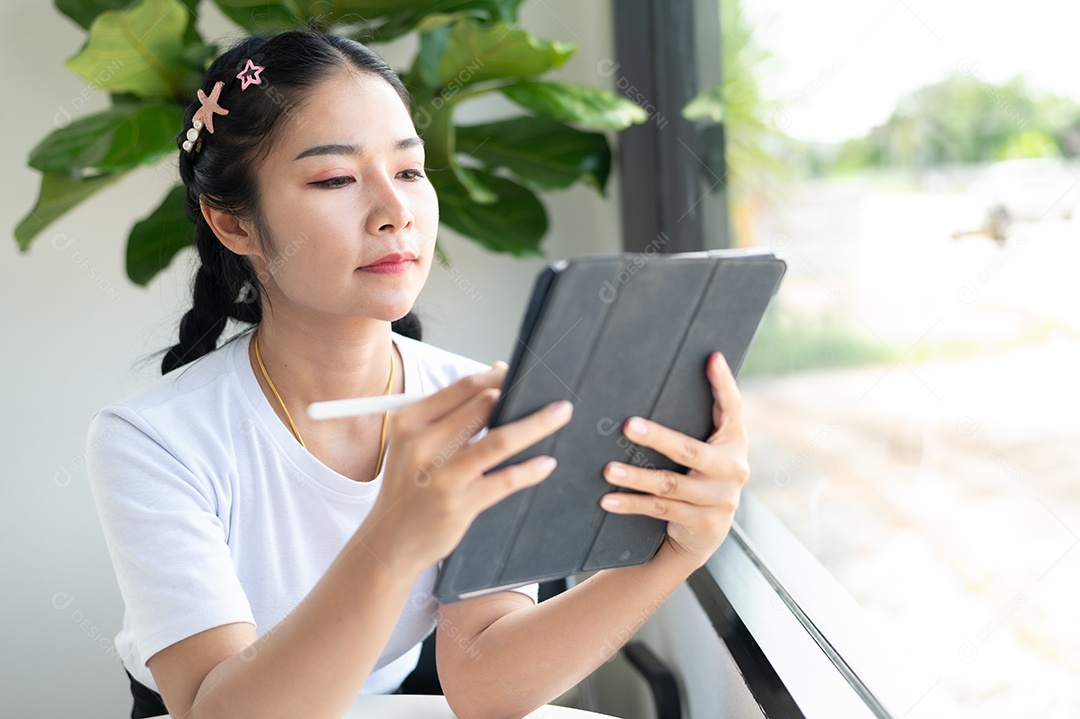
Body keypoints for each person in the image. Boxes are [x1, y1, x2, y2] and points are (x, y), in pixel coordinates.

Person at [85, 29, 750, 719]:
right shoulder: (152, 439)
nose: (395, 211)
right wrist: (395, 537)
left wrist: (672, 552)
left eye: (408, 171)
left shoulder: (473, 407)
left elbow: (485, 682)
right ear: (232, 223)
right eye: (335, 179)